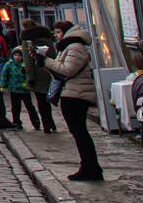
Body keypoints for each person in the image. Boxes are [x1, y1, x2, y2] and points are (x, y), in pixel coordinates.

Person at [43, 21, 102, 181]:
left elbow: (68, 69)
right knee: (78, 133)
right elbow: (61, 71)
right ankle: (89, 167)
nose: (55, 35)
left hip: (77, 94)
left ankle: (90, 168)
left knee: (80, 133)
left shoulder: (75, 47)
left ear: (66, 32)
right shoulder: (69, 47)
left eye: (57, 32)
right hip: (72, 92)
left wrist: (46, 60)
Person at [20, 29, 57, 134]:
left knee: (41, 101)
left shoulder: (28, 42)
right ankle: (51, 123)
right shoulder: (48, 40)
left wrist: (30, 76)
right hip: (48, 73)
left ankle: (46, 125)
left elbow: (28, 61)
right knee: (47, 100)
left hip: (37, 74)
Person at [0, 46, 40, 130]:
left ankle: (36, 122)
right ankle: (16, 122)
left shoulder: (25, 65)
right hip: (14, 89)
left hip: (24, 90)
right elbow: (4, 75)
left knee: (29, 107)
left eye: (19, 55)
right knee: (15, 107)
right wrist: (3, 85)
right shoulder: (9, 64)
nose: (17, 57)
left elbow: (29, 75)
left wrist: (27, 83)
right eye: (15, 55)